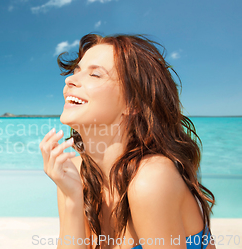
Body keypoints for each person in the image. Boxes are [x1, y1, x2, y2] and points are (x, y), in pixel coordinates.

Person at [40, 33, 216, 249]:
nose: (69, 80)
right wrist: (73, 199)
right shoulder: (75, 174)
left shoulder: (150, 178)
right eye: (77, 71)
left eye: (95, 75)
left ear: (133, 104)